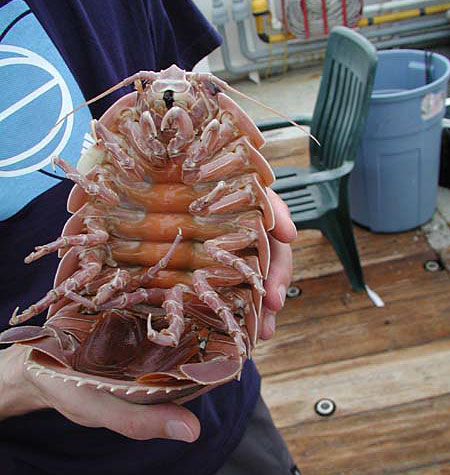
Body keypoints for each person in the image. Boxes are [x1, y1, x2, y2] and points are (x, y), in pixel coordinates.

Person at [0, 1, 298, 473]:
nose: (170, 105)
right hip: (45, 454)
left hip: (221, 406)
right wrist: (19, 376)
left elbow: (216, 117)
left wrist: (260, 206)